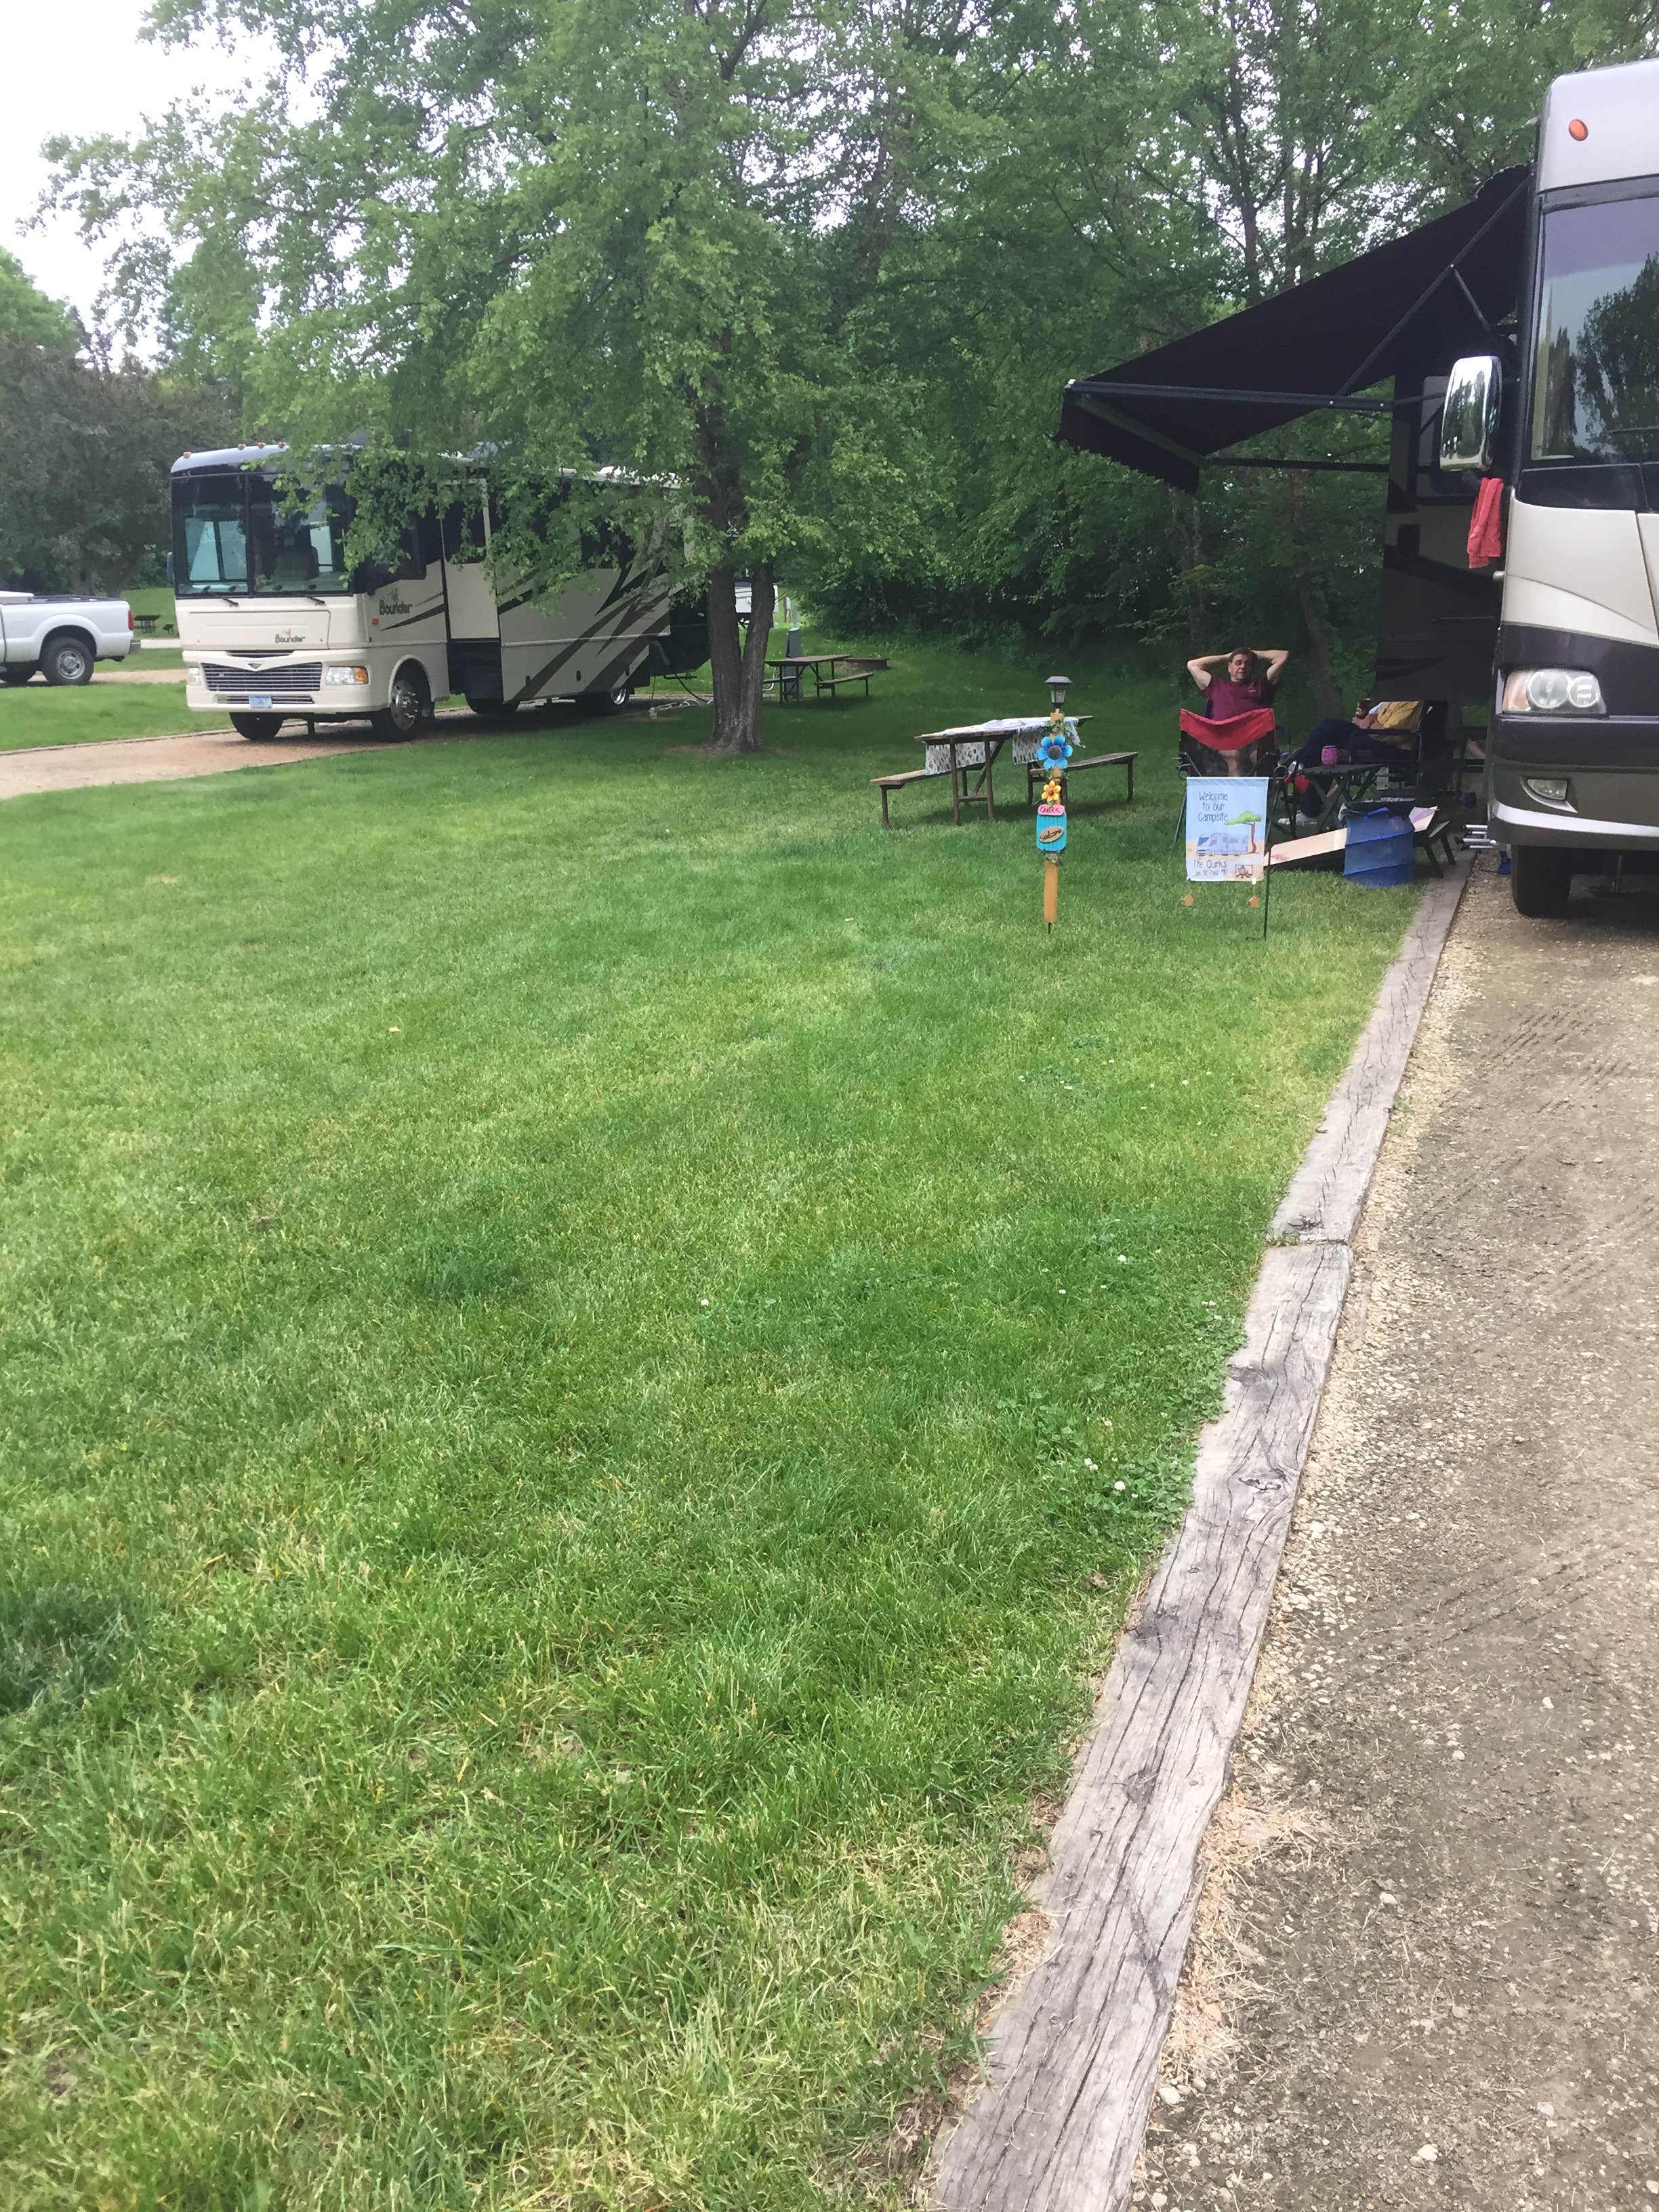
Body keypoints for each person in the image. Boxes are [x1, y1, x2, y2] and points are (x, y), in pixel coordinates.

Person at [1187, 646, 1290, 718]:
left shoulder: (1261, 684)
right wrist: (1227, 657)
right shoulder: (1216, 686)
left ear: (1251, 667)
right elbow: (1192, 665)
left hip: (1255, 741)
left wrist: (1254, 653)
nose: (1243, 666)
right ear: (1229, 667)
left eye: (1247, 663)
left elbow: (1283, 656)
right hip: (1224, 741)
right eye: (1238, 663)